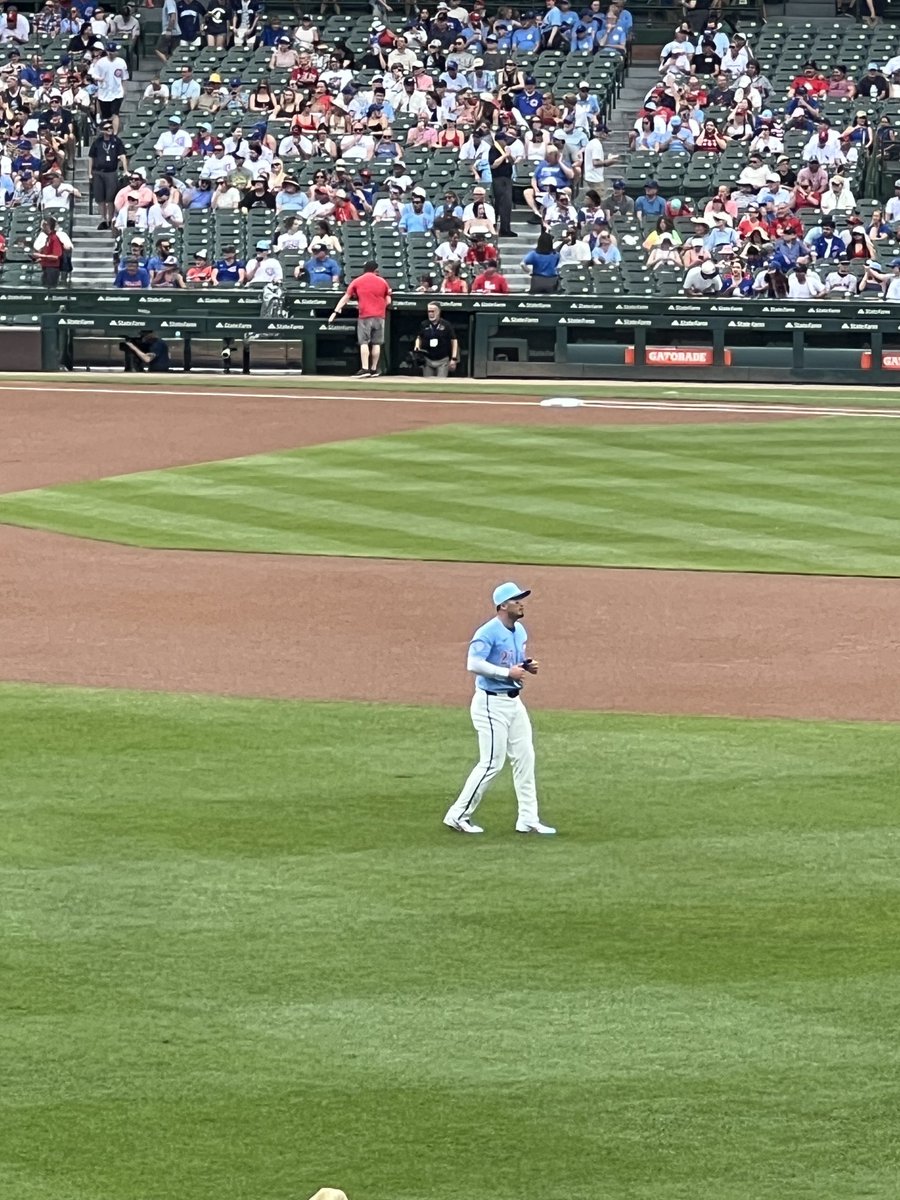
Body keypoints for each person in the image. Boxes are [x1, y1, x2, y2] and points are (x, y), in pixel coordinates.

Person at [442, 581, 555, 836]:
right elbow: (473, 663)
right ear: (503, 605)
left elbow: (513, 662)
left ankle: (528, 818)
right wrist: (507, 672)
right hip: (490, 703)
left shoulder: (520, 631)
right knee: (492, 762)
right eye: (516, 600)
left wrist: (525, 666)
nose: (521, 603)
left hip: (514, 703)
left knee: (525, 758)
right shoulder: (488, 632)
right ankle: (457, 815)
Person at [328, 260, 392, 378]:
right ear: (375, 269)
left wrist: (335, 312)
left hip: (365, 315)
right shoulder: (383, 281)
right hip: (380, 316)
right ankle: (374, 369)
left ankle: (365, 368)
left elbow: (346, 298)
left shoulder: (357, 281)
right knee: (376, 343)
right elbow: (388, 300)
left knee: (364, 342)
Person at [87, 119, 127, 230]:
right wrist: (89, 173)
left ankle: (110, 219)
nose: (109, 130)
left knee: (110, 198)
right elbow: (91, 157)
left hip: (111, 172)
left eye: (111, 128)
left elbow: (122, 155)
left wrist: (125, 170)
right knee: (100, 198)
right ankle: (103, 219)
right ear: (102, 130)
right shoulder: (97, 142)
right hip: (98, 172)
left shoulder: (116, 141)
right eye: (106, 128)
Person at [414, 300, 458, 377]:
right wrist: (417, 345)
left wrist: (454, 358)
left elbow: (454, 341)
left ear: (438, 312)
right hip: (428, 359)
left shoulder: (446, 325)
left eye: (433, 311)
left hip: (442, 360)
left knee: (440, 383)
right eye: (429, 311)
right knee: (427, 383)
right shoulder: (424, 324)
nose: (431, 314)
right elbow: (419, 337)